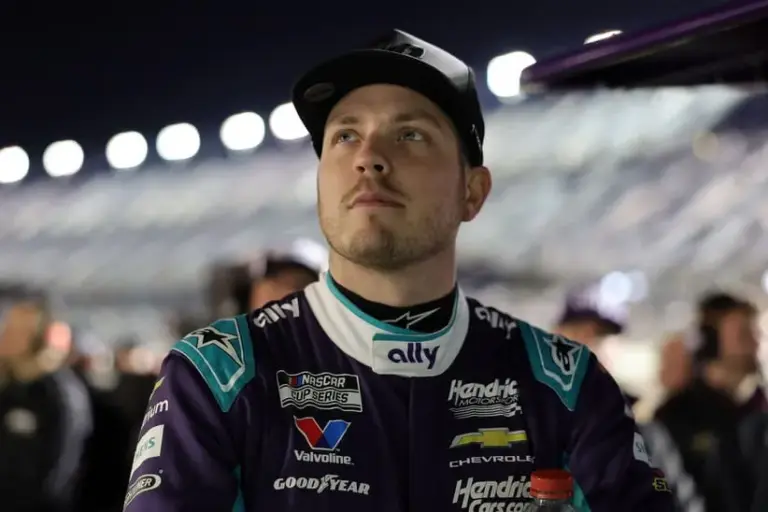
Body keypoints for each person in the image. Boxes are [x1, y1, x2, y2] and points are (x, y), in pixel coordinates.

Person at [123, 30, 675, 511]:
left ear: (472, 191)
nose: (369, 157)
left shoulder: (565, 384)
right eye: (345, 135)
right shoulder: (218, 374)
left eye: (410, 134)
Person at [654, 292, 764, 512]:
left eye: (755, 333)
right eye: (743, 335)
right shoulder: (676, 415)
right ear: (711, 341)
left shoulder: (758, 409)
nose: (755, 343)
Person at [0, 289, 91, 512]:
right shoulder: (11, 387)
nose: (7, 336)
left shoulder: (60, 394)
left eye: (20, 331)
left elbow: (58, 475)